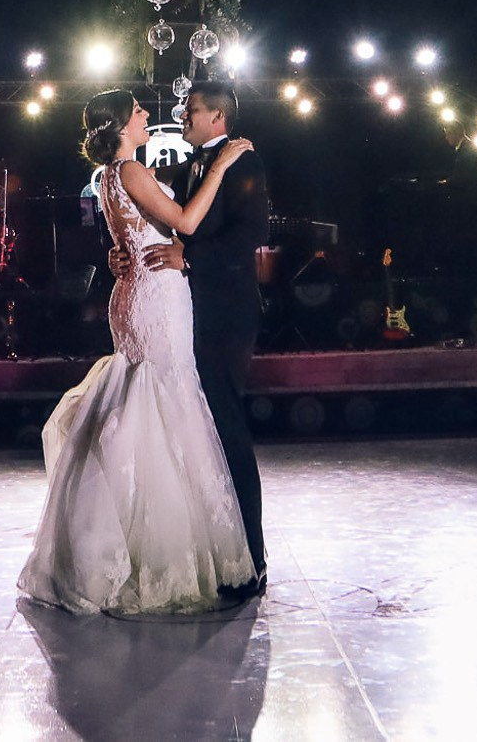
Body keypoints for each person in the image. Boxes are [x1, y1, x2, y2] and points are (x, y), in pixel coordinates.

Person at [21, 89, 256, 613]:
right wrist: (222, 166)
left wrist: (119, 250)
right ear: (122, 125)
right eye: (138, 111)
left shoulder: (110, 177)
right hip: (155, 295)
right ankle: (153, 550)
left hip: (135, 292)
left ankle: (121, 535)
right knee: (163, 400)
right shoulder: (129, 171)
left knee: (144, 396)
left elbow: (135, 228)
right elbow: (187, 224)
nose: (148, 115)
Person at [145, 80, 271, 592]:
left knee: (227, 425)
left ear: (218, 116)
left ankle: (253, 558)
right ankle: (221, 550)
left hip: (228, 312)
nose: (183, 115)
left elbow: (252, 234)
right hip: (193, 311)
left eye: (191, 109)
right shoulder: (192, 164)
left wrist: (189, 257)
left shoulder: (244, 163)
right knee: (204, 430)